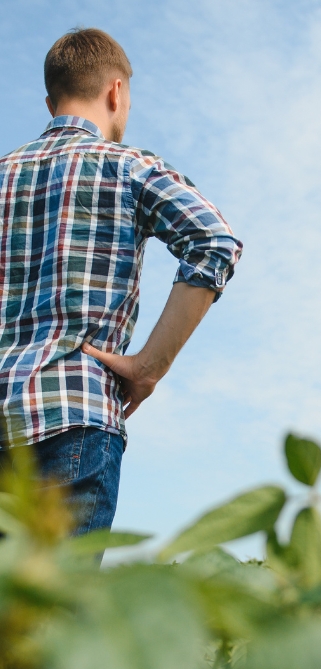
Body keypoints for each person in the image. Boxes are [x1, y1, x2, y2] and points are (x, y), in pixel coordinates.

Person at [0, 28, 242, 540]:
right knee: (59, 615)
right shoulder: (129, 167)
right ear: (116, 92)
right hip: (74, 417)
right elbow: (214, 242)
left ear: (50, 101)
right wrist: (149, 367)